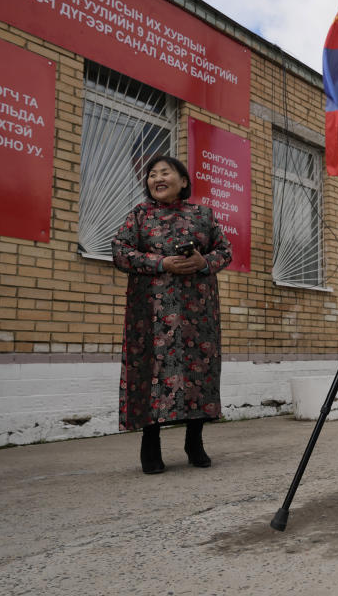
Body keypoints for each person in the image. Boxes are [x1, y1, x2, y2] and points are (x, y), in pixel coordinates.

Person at [112, 155, 232, 474]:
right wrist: (159, 263)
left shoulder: (203, 215)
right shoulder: (139, 215)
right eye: (152, 174)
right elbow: (120, 252)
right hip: (150, 312)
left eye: (165, 172)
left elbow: (225, 250)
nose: (157, 178)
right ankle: (150, 444)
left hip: (198, 311)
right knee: (151, 373)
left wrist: (203, 263)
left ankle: (195, 441)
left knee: (198, 373)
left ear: (183, 181)